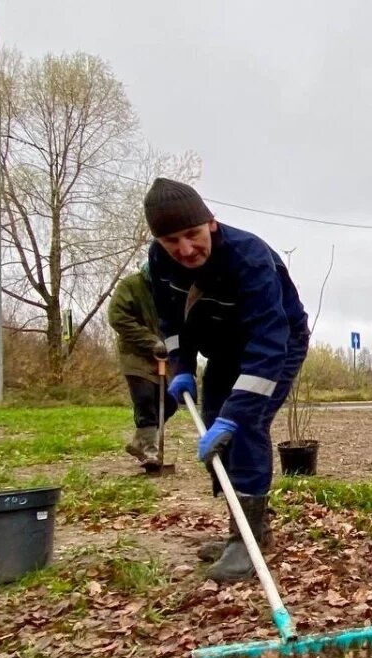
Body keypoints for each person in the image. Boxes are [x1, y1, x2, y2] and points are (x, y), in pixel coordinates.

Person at [144, 178, 310, 583]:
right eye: (172, 241)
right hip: (222, 351)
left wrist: (237, 413)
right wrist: (182, 365)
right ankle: (244, 533)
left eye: (192, 235)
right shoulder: (159, 262)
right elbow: (170, 321)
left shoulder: (249, 257)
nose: (185, 250)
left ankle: (249, 542)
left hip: (276, 345)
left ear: (211, 224)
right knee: (214, 422)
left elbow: (269, 339)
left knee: (245, 424)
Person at [107, 264, 171, 471]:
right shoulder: (130, 285)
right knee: (144, 399)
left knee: (170, 401)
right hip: (135, 354)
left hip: (166, 355)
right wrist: (150, 341)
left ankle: (138, 443)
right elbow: (118, 318)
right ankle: (151, 452)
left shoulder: (173, 287)